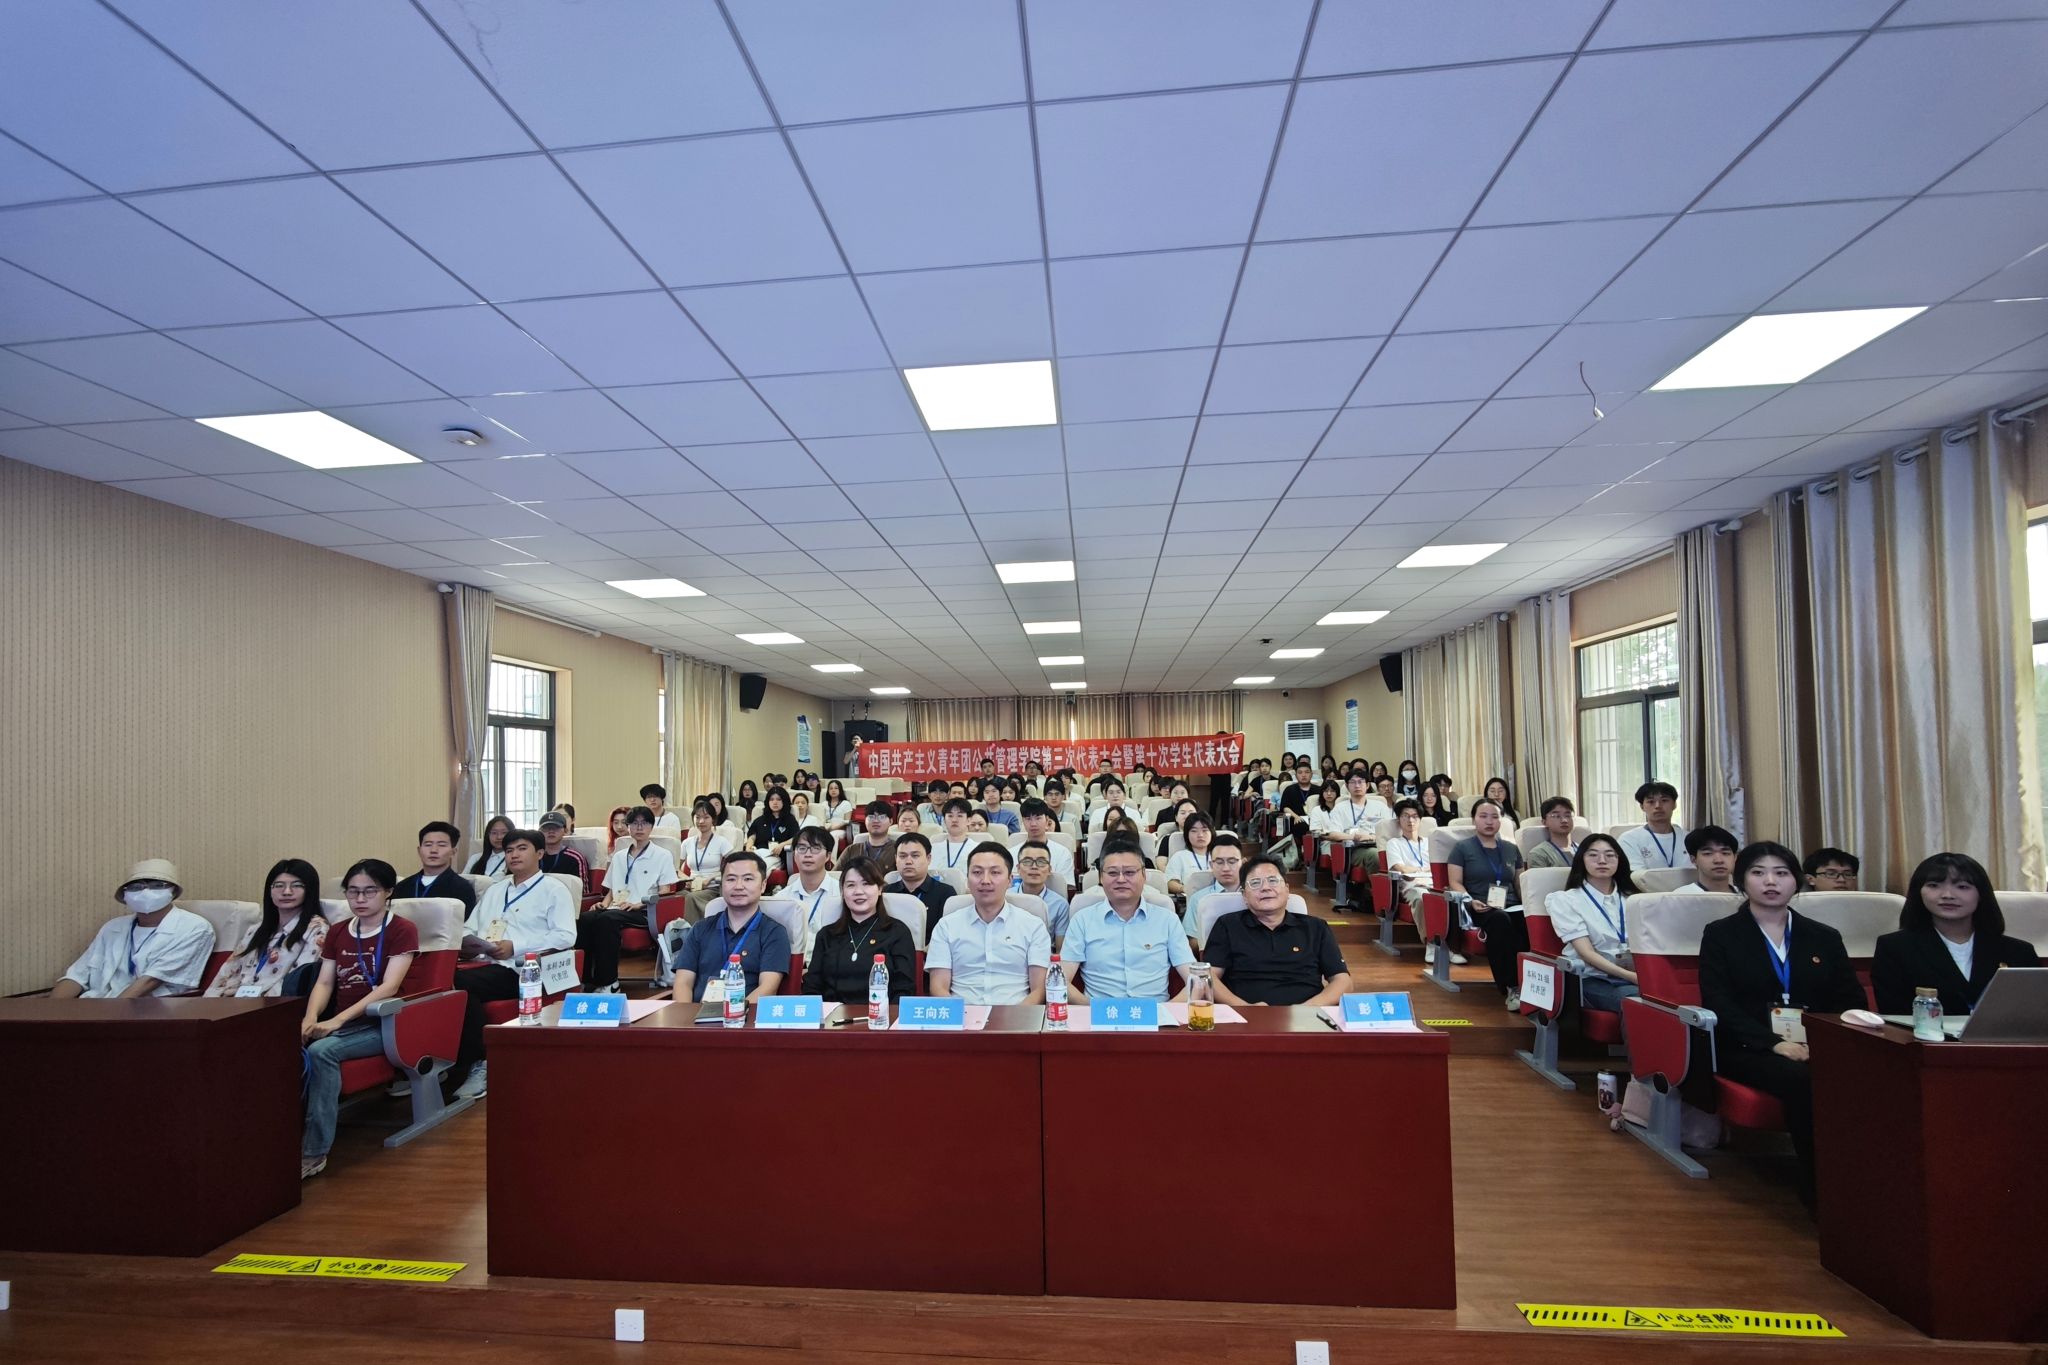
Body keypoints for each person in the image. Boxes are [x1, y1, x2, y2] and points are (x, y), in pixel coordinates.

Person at [1699, 841, 1866, 1210]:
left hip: (1816, 1043)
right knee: (1802, 1079)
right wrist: (1773, 1043)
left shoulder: (1824, 936)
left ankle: (1867, 1182)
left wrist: (1821, 1042)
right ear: (1742, 880)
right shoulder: (1721, 934)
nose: (1770, 881)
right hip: (1747, 1047)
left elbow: (1851, 1000)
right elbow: (1718, 1003)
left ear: (1797, 880)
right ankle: (1823, 1193)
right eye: (1758, 873)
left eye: (1781, 873)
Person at [299, 858, 419, 1179]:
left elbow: (389, 987)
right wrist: (310, 1017)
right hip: (346, 1024)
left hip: (385, 1025)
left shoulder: (402, 929)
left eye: (370, 891)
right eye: (353, 892)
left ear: (388, 892)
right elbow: (325, 982)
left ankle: (314, 1151)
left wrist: (337, 1021)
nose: (360, 899)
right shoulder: (339, 930)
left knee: (321, 1051)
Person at [453, 829, 577, 1099]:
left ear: (540, 853)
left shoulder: (554, 890)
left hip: (522, 969)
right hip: (482, 963)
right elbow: (469, 927)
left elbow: (566, 936)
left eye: (522, 849)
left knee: (459, 984)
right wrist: (468, 943)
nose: (514, 855)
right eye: (509, 850)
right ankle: (453, 1061)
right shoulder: (495, 890)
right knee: (446, 983)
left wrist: (516, 946)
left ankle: (480, 1062)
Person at [1872, 852, 2040, 1016]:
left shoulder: (2019, 952)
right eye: (1934, 885)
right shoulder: (1894, 948)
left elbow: (2035, 1012)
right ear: (1918, 892)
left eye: (1962, 887)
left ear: (1981, 894)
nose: (1948, 895)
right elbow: (1894, 1014)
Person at [53, 858, 214, 999]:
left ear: (173, 891)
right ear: (125, 895)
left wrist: (106, 1016)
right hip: (95, 1006)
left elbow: (151, 981)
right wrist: (49, 1012)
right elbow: (77, 976)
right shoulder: (113, 927)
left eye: (157, 885)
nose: (145, 892)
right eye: (136, 887)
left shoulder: (194, 928)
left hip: (148, 1011)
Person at [1205, 854, 1352, 1006]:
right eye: (1255, 883)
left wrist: (1308, 1009)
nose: (1265, 888)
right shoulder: (1228, 925)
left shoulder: (1316, 927)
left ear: (1287, 890)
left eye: (1273, 880)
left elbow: (1343, 980)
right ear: (1244, 896)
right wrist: (1245, 1008)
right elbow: (1208, 976)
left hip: (1308, 1015)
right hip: (1245, 1015)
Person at [1062, 840, 1194, 1003]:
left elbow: (1194, 979)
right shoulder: (1082, 920)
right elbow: (1061, 980)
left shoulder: (1167, 920)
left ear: (1144, 875)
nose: (1121, 879)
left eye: (1130, 872)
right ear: (1101, 877)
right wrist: (1092, 1009)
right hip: (1100, 1013)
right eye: (1112, 873)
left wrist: (1166, 1011)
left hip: (1156, 1013)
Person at [926, 843, 1051, 1005]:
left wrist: (1016, 1017)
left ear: (1010, 880)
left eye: (995, 872)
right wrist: (962, 1016)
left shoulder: (1033, 926)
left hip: (1017, 1013)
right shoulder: (946, 926)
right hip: (963, 1013)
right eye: (977, 872)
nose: (985, 880)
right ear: (967, 880)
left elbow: (1039, 990)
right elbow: (938, 988)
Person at [580, 806, 679, 990]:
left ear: (651, 826)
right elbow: (611, 890)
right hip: (617, 908)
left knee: (607, 919)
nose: (639, 827)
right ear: (628, 827)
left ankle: (609, 982)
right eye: (634, 823)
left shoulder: (662, 855)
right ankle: (586, 980)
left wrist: (639, 903)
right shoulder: (619, 857)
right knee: (586, 918)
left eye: (644, 823)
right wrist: (603, 903)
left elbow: (665, 892)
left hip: (644, 911)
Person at [671, 852, 790, 1005]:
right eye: (731, 879)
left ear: (763, 885)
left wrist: (732, 1015)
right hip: (696, 1015)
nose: (738, 886)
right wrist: (686, 1016)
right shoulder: (700, 929)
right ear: (722, 885)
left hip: (745, 1016)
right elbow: (683, 983)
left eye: (748, 879)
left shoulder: (774, 932)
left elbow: (768, 989)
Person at [205, 858, 329, 998]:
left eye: (296, 885)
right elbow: (224, 977)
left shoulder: (317, 930)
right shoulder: (255, 930)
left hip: (274, 1006)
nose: (287, 892)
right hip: (235, 1004)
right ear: (269, 890)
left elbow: (297, 983)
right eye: (279, 885)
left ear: (309, 891)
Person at [1547, 835, 1641, 1015]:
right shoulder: (1566, 900)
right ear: (1581, 860)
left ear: (1619, 860)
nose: (1602, 861)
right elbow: (1587, 953)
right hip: (1591, 978)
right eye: (1593, 855)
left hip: (1635, 974)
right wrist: (1631, 977)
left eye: (1610, 855)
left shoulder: (1634, 898)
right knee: (1636, 1000)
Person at [801, 856, 915, 1005]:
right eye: (850, 885)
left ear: (880, 889)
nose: (858, 891)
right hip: (832, 1016)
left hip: (880, 1015)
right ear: (842, 892)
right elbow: (812, 987)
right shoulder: (826, 935)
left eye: (866, 884)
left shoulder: (898, 932)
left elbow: (904, 990)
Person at [1451, 799, 1530, 990]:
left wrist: (1530, 907)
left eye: (1495, 817)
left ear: (1501, 821)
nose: (1489, 821)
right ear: (1473, 820)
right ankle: (1511, 987)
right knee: (1500, 919)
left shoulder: (1511, 848)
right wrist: (1470, 901)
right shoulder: (1462, 848)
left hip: (1511, 905)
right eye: (1483, 816)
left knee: (1527, 920)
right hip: (1480, 906)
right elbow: (1455, 882)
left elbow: (1519, 884)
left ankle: (1532, 985)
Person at [1322, 770, 1382, 909]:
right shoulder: (1340, 808)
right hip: (1354, 849)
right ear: (1347, 786)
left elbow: (1389, 831)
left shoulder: (1380, 806)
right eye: (1353, 782)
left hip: (1378, 843)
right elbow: (1333, 834)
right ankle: (1378, 897)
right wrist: (1354, 837)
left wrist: (1371, 837)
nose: (1357, 785)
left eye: (1361, 782)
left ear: (1368, 785)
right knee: (1374, 855)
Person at [779, 826, 843, 952]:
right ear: (794, 855)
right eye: (802, 848)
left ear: (828, 856)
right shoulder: (781, 899)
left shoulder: (842, 894)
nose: (808, 854)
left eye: (815, 848)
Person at [392, 820, 478, 912]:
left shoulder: (462, 888)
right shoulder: (402, 887)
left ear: (453, 852)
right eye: (428, 845)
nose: (433, 850)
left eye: (441, 845)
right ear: (419, 851)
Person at [1182, 832, 1245, 943]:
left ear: (1243, 863)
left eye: (1232, 862)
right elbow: (1191, 940)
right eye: (1219, 862)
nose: (1226, 868)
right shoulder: (1199, 899)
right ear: (1211, 865)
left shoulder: (1255, 895)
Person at [1617, 781, 1689, 871]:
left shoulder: (1688, 838)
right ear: (1642, 807)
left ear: (1674, 804)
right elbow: (1637, 875)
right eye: (1651, 802)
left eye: (1664, 800)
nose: (1658, 806)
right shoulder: (1629, 839)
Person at [886, 831, 953, 928]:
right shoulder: (886, 893)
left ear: (928, 858)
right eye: (903, 856)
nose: (908, 861)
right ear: (896, 859)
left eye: (915, 856)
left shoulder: (945, 893)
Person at [1381, 799, 1436, 917]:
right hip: (1413, 886)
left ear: (1420, 819)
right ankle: (1428, 931)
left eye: (1415, 816)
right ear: (1398, 819)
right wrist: (1424, 869)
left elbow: (1438, 867)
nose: (1410, 820)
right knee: (1422, 898)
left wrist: (1417, 870)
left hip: (1434, 884)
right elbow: (1401, 869)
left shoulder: (1429, 842)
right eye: (1406, 816)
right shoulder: (1394, 843)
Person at [680, 799, 735, 918]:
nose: (701, 821)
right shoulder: (686, 843)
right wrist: (686, 880)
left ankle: (691, 929)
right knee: (674, 897)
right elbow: (678, 869)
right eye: (697, 817)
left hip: (712, 887)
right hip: (692, 887)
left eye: (706, 817)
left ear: (713, 820)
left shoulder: (721, 842)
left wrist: (711, 878)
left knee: (690, 898)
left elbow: (735, 867)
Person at [1014, 839, 1071, 947]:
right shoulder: (1005, 898)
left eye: (1041, 862)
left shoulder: (1060, 904)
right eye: (1027, 861)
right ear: (1018, 868)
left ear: (1049, 870)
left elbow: (1060, 950)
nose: (1034, 867)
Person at [1018, 798, 1075, 892]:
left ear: (1047, 820)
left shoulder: (1062, 853)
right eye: (1028, 819)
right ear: (1023, 821)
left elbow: (1067, 888)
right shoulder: (1012, 852)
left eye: (1038, 818)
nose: (1033, 824)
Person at [748, 787, 801, 872]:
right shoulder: (760, 820)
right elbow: (752, 836)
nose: (775, 802)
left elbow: (796, 837)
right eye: (771, 799)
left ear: (784, 801)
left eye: (778, 799)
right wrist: (748, 848)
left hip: (777, 856)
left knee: (761, 865)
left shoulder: (790, 820)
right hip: (759, 853)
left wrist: (782, 845)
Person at [1164, 813, 1217, 898]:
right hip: (1190, 898)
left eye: (1204, 830)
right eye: (1194, 831)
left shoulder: (1219, 856)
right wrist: (1184, 888)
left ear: (1212, 832)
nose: (1200, 835)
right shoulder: (1179, 856)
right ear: (1187, 834)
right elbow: (1170, 883)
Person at [1675, 826, 1738, 894]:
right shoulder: (1680, 896)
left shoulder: (1744, 895)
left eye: (1725, 853)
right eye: (1708, 853)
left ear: (1735, 857)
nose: (1719, 860)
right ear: (1693, 859)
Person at [1523, 798, 1581, 870]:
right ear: (1544, 822)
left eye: (1567, 815)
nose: (1564, 820)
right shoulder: (1539, 854)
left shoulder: (1583, 849)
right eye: (1556, 816)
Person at [930, 798, 979, 877]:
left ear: (968, 821)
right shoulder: (932, 849)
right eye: (950, 816)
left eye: (960, 816)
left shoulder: (978, 849)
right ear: (944, 821)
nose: (954, 820)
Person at [536, 811, 588, 882]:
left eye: (556, 827)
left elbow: (581, 887)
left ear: (565, 831)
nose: (551, 831)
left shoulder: (575, 858)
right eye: (546, 828)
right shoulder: (534, 857)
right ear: (539, 832)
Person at [855, 800, 899, 867]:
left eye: (882, 817)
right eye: (871, 817)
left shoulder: (898, 850)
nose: (876, 821)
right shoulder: (851, 850)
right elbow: (837, 872)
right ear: (865, 821)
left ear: (891, 821)